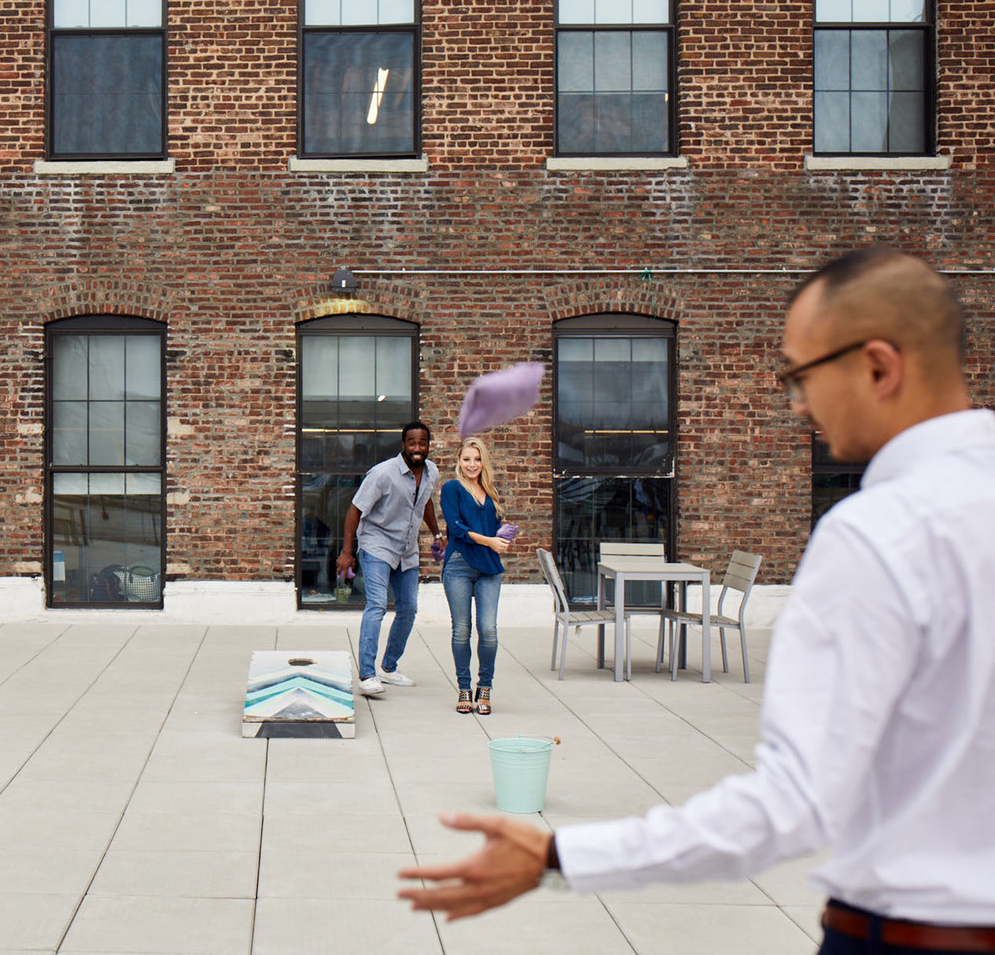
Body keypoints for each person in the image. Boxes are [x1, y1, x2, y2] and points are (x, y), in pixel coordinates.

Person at [397, 248, 995, 952]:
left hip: (911, 933)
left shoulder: (876, 534)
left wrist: (561, 857)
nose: (798, 403)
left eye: (800, 375)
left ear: (877, 366)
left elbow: (789, 805)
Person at [336, 421, 442, 697]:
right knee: (377, 605)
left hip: (407, 548)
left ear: (428, 444)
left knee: (408, 609)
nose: (417, 448)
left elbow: (426, 502)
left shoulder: (432, 472)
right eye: (412, 443)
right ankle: (367, 675)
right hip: (377, 545)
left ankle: (389, 667)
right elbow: (354, 510)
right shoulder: (382, 474)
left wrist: (437, 533)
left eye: (422, 443)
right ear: (403, 445)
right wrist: (347, 552)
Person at [439, 437, 513, 715]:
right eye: (467, 459)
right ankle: (463, 688)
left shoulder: (489, 490)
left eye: (477, 459)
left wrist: (501, 537)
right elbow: (456, 528)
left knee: (489, 630)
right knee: (461, 630)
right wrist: (489, 541)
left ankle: (485, 687)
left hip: (489, 567)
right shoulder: (452, 488)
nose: (472, 464)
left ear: (484, 462)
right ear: (459, 461)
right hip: (458, 565)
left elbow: (491, 529)